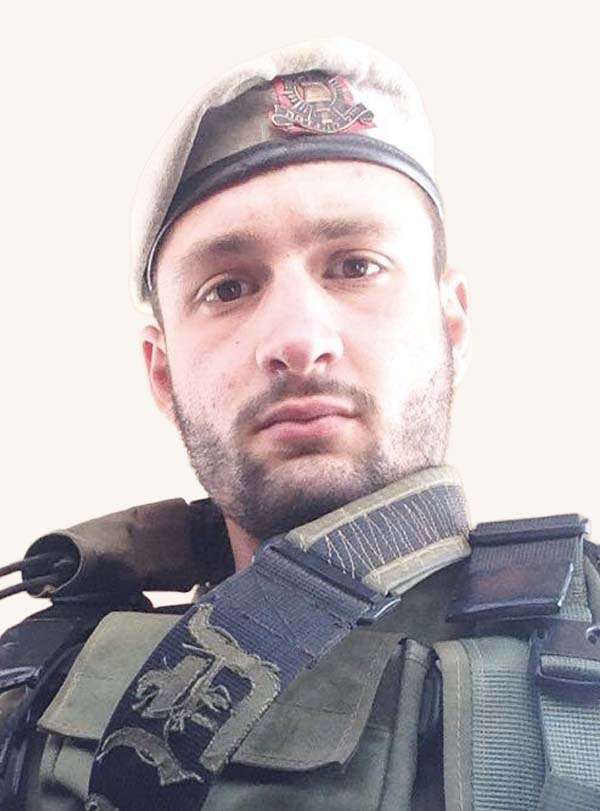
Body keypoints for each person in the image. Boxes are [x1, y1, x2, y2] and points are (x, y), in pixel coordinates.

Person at [1, 36, 599, 811]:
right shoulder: (33, 692)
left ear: (452, 323)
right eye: (227, 287)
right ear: (162, 373)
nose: (297, 338)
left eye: (355, 266)